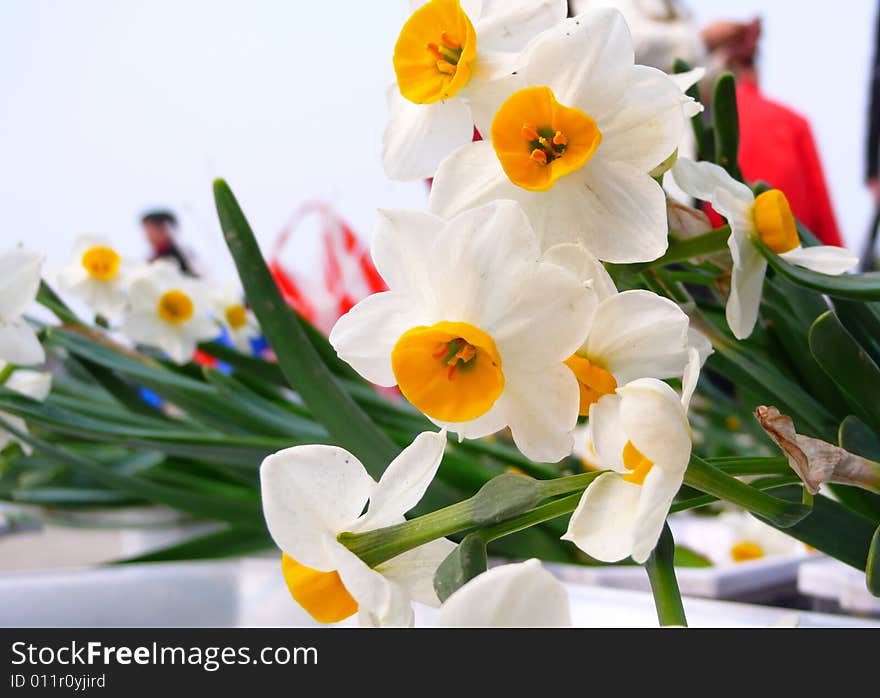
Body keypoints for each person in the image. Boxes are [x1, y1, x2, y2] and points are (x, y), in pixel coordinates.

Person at [702, 18, 845, 247]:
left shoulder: (701, 121)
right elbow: (824, 218)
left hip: (713, 264)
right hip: (789, 266)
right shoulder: (794, 122)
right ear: (754, 66)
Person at [141, 210, 198, 275]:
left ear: (164, 228)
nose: (147, 235)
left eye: (150, 230)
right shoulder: (149, 259)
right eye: (146, 230)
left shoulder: (186, 256)